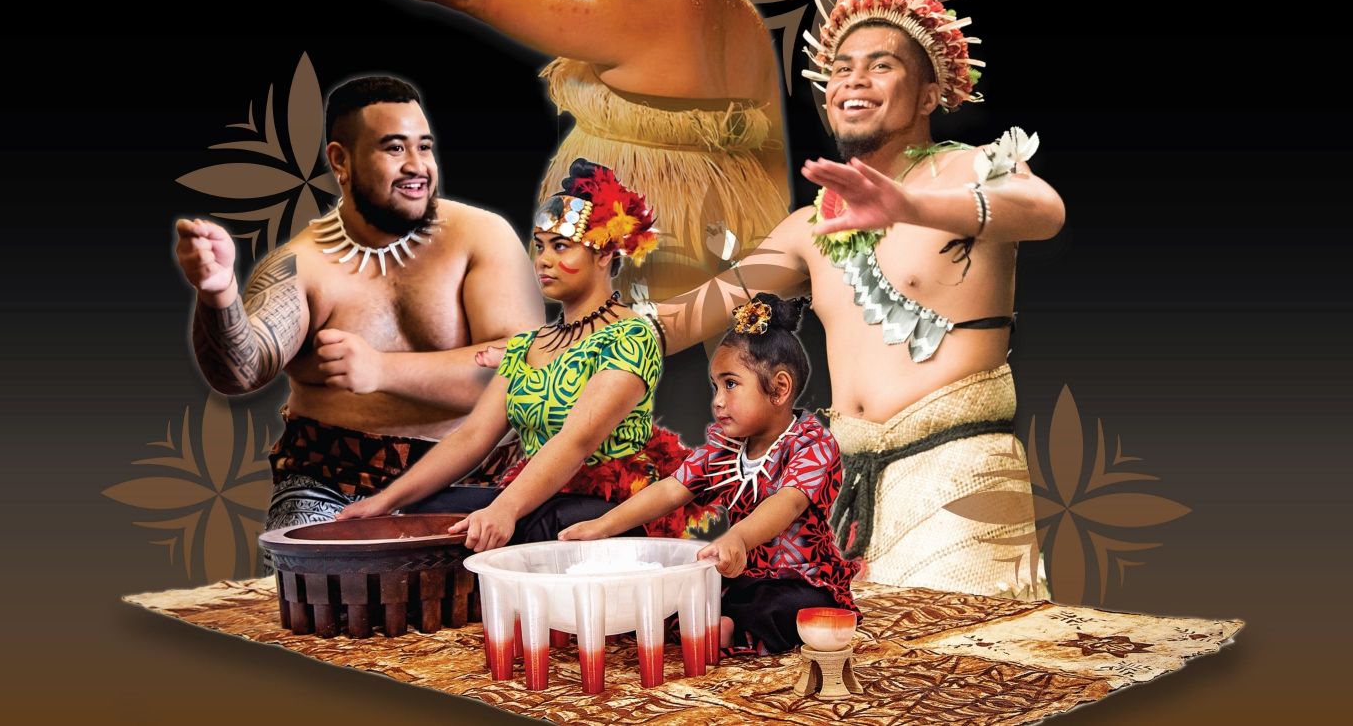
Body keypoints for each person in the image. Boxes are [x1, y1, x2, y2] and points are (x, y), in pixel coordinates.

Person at [210, 0, 788, 301]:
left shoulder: (626, 10)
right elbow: (777, 173)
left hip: (642, 286)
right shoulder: (747, 23)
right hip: (736, 284)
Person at [648, 0, 1066, 597]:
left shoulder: (971, 167)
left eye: (881, 65)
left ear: (928, 95)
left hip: (956, 468)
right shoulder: (809, 226)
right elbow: (684, 319)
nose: (854, 80)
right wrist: (561, 335)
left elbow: (1044, 211)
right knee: (844, 678)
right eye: (841, 68)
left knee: (959, 670)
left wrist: (911, 206)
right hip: (840, 484)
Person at [174, 75, 542, 534]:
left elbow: (523, 371)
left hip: (483, 481)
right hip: (333, 483)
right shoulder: (302, 265)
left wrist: (381, 371)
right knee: (312, 579)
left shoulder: (480, 236)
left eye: (423, 147)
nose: (417, 166)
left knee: (515, 589)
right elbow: (243, 371)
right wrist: (218, 294)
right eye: (394, 148)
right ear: (340, 160)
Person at [337, 160, 711, 550]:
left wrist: (505, 509)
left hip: (606, 506)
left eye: (561, 246)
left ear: (603, 255)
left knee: (536, 524)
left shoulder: (631, 336)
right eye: (540, 246)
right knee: (428, 511)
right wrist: (385, 501)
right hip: (539, 497)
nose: (544, 260)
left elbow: (577, 441)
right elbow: (473, 437)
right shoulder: (527, 346)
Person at [561, 293, 858, 656]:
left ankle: (730, 630)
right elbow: (672, 490)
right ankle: (715, 623)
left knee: (786, 608)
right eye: (715, 386)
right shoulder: (725, 450)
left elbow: (786, 503)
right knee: (688, 593)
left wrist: (738, 538)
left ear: (779, 388)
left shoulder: (812, 444)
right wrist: (603, 525)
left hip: (802, 580)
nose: (717, 400)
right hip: (741, 575)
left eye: (730, 384)